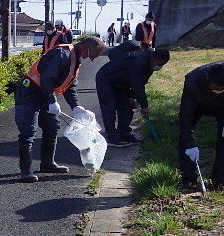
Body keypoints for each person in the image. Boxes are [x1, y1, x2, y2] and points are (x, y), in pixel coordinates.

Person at [13, 35, 107, 182]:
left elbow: (70, 86)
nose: (92, 60)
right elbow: (47, 78)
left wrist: (76, 107)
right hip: (29, 93)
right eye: (93, 56)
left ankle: (47, 163)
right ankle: (26, 170)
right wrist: (52, 100)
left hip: (44, 94)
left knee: (52, 127)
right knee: (28, 131)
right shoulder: (62, 54)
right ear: (85, 48)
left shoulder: (75, 61)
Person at [177, 59, 224, 191]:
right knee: (186, 140)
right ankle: (189, 179)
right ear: (207, 78)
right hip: (197, 105)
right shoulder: (192, 81)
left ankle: (220, 178)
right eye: (215, 88)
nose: (218, 91)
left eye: (222, 88)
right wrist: (189, 143)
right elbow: (185, 116)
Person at [95, 40, 170, 146]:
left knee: (127, 106)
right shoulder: (138, 60)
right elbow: (137, 85)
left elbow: (142, 82)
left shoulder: (150, 64)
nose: (160, 66)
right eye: (160, 63)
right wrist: (144, 106)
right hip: (106, 79)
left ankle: (124, 133)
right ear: (154, 58)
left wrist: (132, 96)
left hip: (122, 81)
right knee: (109, 107)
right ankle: (112, 136)